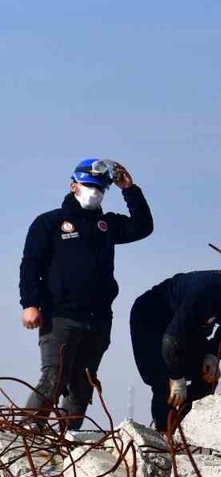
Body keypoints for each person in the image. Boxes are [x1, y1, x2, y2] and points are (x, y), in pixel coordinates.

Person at [19, 159, 153, 430]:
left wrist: (129, 189)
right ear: (74, 186)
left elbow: (143, 227)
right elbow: (31, 264)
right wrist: (30, 303)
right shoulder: (50, 223)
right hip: (60, 315)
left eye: (101, 188)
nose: (95, 192)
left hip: (98, 319)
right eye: (90, 186)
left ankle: (68, 441)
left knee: (83, 384)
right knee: (53, 377)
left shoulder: (106, 225)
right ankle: (28, 435)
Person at [130, 266, 221, 431]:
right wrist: (177, 377)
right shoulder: (203, 292)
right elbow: (171, 342)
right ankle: (164, 434)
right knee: (164, 380)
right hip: (151, 320)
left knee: (208, 375)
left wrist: (213, 355)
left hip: (186, 327)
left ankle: (183, 430)